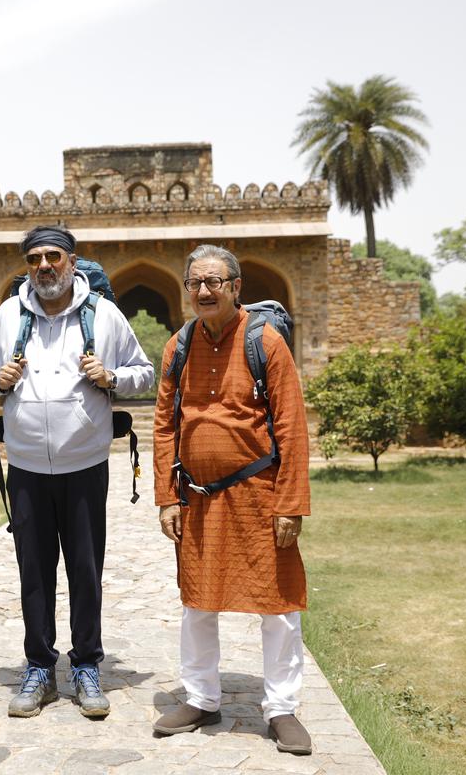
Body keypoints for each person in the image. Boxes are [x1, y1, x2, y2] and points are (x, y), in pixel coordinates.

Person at [0, 225, 154, 719]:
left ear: (72, 261)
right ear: (26, 266)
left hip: (84, 464)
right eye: (34, 259)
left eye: (53, 256)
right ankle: (38, 667)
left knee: (85, 571)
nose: (44, 266)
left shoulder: (104, 315)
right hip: (27, 463)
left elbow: (145, 371)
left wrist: (111, 376)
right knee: (34, 571)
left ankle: (87, 664)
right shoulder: (10, 315)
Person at [151, 244, 313, 755]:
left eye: (213, 282)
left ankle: (281, 708)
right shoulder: (178, 345)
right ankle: (201, 696)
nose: (203, 291)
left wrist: (291, 503)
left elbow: (291, 427)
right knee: (197, 601)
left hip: (260, 494)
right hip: (198, 497)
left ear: (235, 288)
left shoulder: (264, 342)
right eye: (194, 283)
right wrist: (167, 496)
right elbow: (164, 425)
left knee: (279, 604)